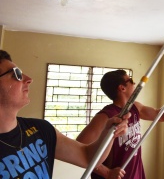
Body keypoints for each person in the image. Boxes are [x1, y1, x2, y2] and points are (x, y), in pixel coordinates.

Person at [0, 50, 131, 179]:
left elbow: (87, 157)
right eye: (16, 74)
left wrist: (109, 133)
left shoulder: (41, 129)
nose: (29, 79)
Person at [76, 69, 164, 179]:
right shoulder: (106, 116)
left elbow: (162, 116)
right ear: (122, 88)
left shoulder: (135, 107)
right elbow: (79, 149)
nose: (134, 83)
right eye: (131, 80)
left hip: (135, 175)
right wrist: (107, 172)